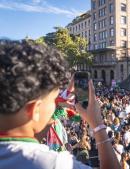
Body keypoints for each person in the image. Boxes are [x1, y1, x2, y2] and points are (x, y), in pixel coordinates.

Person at [0, 40, 121, 169]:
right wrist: (98, 126)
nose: (56, 105)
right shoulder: (52, 164)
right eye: (53, 100)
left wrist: (65, 94)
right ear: (34, 111)